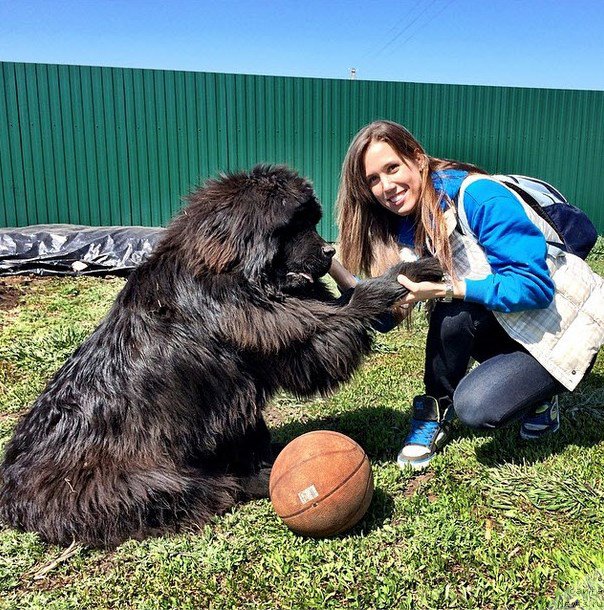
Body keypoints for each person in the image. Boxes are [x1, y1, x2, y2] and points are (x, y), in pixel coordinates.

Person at [330, 119, 604, 470]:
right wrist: (334, 268)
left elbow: (533, 287)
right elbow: (386, 317)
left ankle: (539, 398)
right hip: (508, 323)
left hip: (560, 329)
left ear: (417, 158)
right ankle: (434, 410)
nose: (386, 186)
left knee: (476, 407)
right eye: (373, 180)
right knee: (452, 313)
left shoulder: (478, 196)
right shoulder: (407, 228)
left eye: (392, 168)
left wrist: (449, 287)